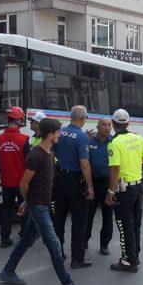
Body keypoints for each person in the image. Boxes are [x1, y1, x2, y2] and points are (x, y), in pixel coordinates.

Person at [0, 118, 84, 285]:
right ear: (51, 134)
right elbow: (24, 182)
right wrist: (27, 201)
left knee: (26, 240)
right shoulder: (37, 155)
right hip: (38, 206)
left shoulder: (48, 152)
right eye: (58, 132)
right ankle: (67, 284)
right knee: (54, 245)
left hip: (39, 203)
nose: (60, 135)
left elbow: (38, 183)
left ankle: (7, 271)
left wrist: (26, 202)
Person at [106, 109, 143, 273]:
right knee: (135, 223)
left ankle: (128, 261)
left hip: (124, 189)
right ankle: (135, 255)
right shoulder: (137, 137)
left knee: (124, 224)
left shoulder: (115, 143)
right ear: (127, 123)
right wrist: (135, 159)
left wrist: (110, 193)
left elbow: (114, 170)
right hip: (139, 185)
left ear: (113, 124)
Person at [52, 105, 94, 268]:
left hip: (60, 178)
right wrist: (89, 186)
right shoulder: (82, 136)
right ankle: (77, 258)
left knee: (59, 219)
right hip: (76, 182)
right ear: (82, 119)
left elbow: (52, 155)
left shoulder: (60, 132)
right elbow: (84, 164)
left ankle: (58, 253)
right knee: (79, 221)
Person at [0, 107, 30, 248]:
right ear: (19, 120)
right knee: (24, 209)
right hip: (21, 183)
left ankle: (4, 239)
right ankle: (25, 236)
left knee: (6, 211)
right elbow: (29, 163)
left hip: (6, 183)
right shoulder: (24, 139)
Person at [84, 118, 113, 256]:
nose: (107, 128)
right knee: (88, 215)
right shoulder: (89, 141)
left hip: (108, 183)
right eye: (104, 125)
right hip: (92, 184)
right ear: (97, 126)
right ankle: (84, 241)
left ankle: (104, 244)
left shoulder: (114, 141)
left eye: (109, 125)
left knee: (107, 217)